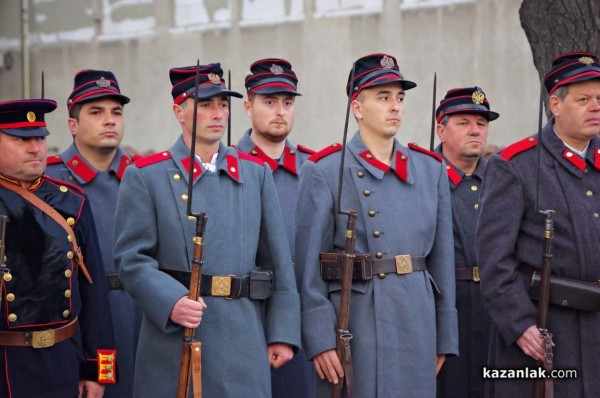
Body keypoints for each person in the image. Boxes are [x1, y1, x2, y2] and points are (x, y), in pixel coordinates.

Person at [113, 62, 301, 397]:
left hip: (242, 334)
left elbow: (278, 259)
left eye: (223, 105)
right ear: (179, 111)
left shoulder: (255, 174)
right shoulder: (146, 176)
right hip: (176, 337)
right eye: (205, 105)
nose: (217, 114)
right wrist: (171, 301)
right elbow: (131, 260)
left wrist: (282, 332)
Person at [296, 53, 458, 397]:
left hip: (417, 316)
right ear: (357, 107)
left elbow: (442, 261)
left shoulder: (430, 169)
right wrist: (320, 337)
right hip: (358, 320)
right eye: (383, 98)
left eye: (399, 98)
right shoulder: (325, 170)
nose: (395, 107)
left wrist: (444, 334)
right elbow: (308, 268)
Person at [476, 51, 600, 397]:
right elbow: (494, 261)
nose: (596, 106)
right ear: (556, 105)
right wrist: (520, 325)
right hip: (545, 330)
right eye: (584, 99)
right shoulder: (515, 166)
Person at [0, 99, 116, 398]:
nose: (35, 148)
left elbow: (94, 293)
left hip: (63, 359)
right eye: (21, 140)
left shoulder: (71, 201)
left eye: (40, 138)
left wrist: (98, 370)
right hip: (6, 363)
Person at [45, 69, 140, 398]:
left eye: (116, 112)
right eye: (96, 112)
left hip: (141, 316)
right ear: (73, 125)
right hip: (82, 321)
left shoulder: (144, 175)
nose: (109, 120)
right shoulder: (48, 182)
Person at [236, 57, 315, 398]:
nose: (280, 111)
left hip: (307, 323)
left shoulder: (315, 170)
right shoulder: (226, 168)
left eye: (287, 102)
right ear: (247, 107)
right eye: (269, 102)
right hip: (246, 319)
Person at [433, 87, 499, 398]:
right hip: (445, 309)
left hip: (494, 308)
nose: (475, 130)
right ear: (441, 129)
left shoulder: (503, 179)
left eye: (481, 123)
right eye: (463, 122)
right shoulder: (422, 176)